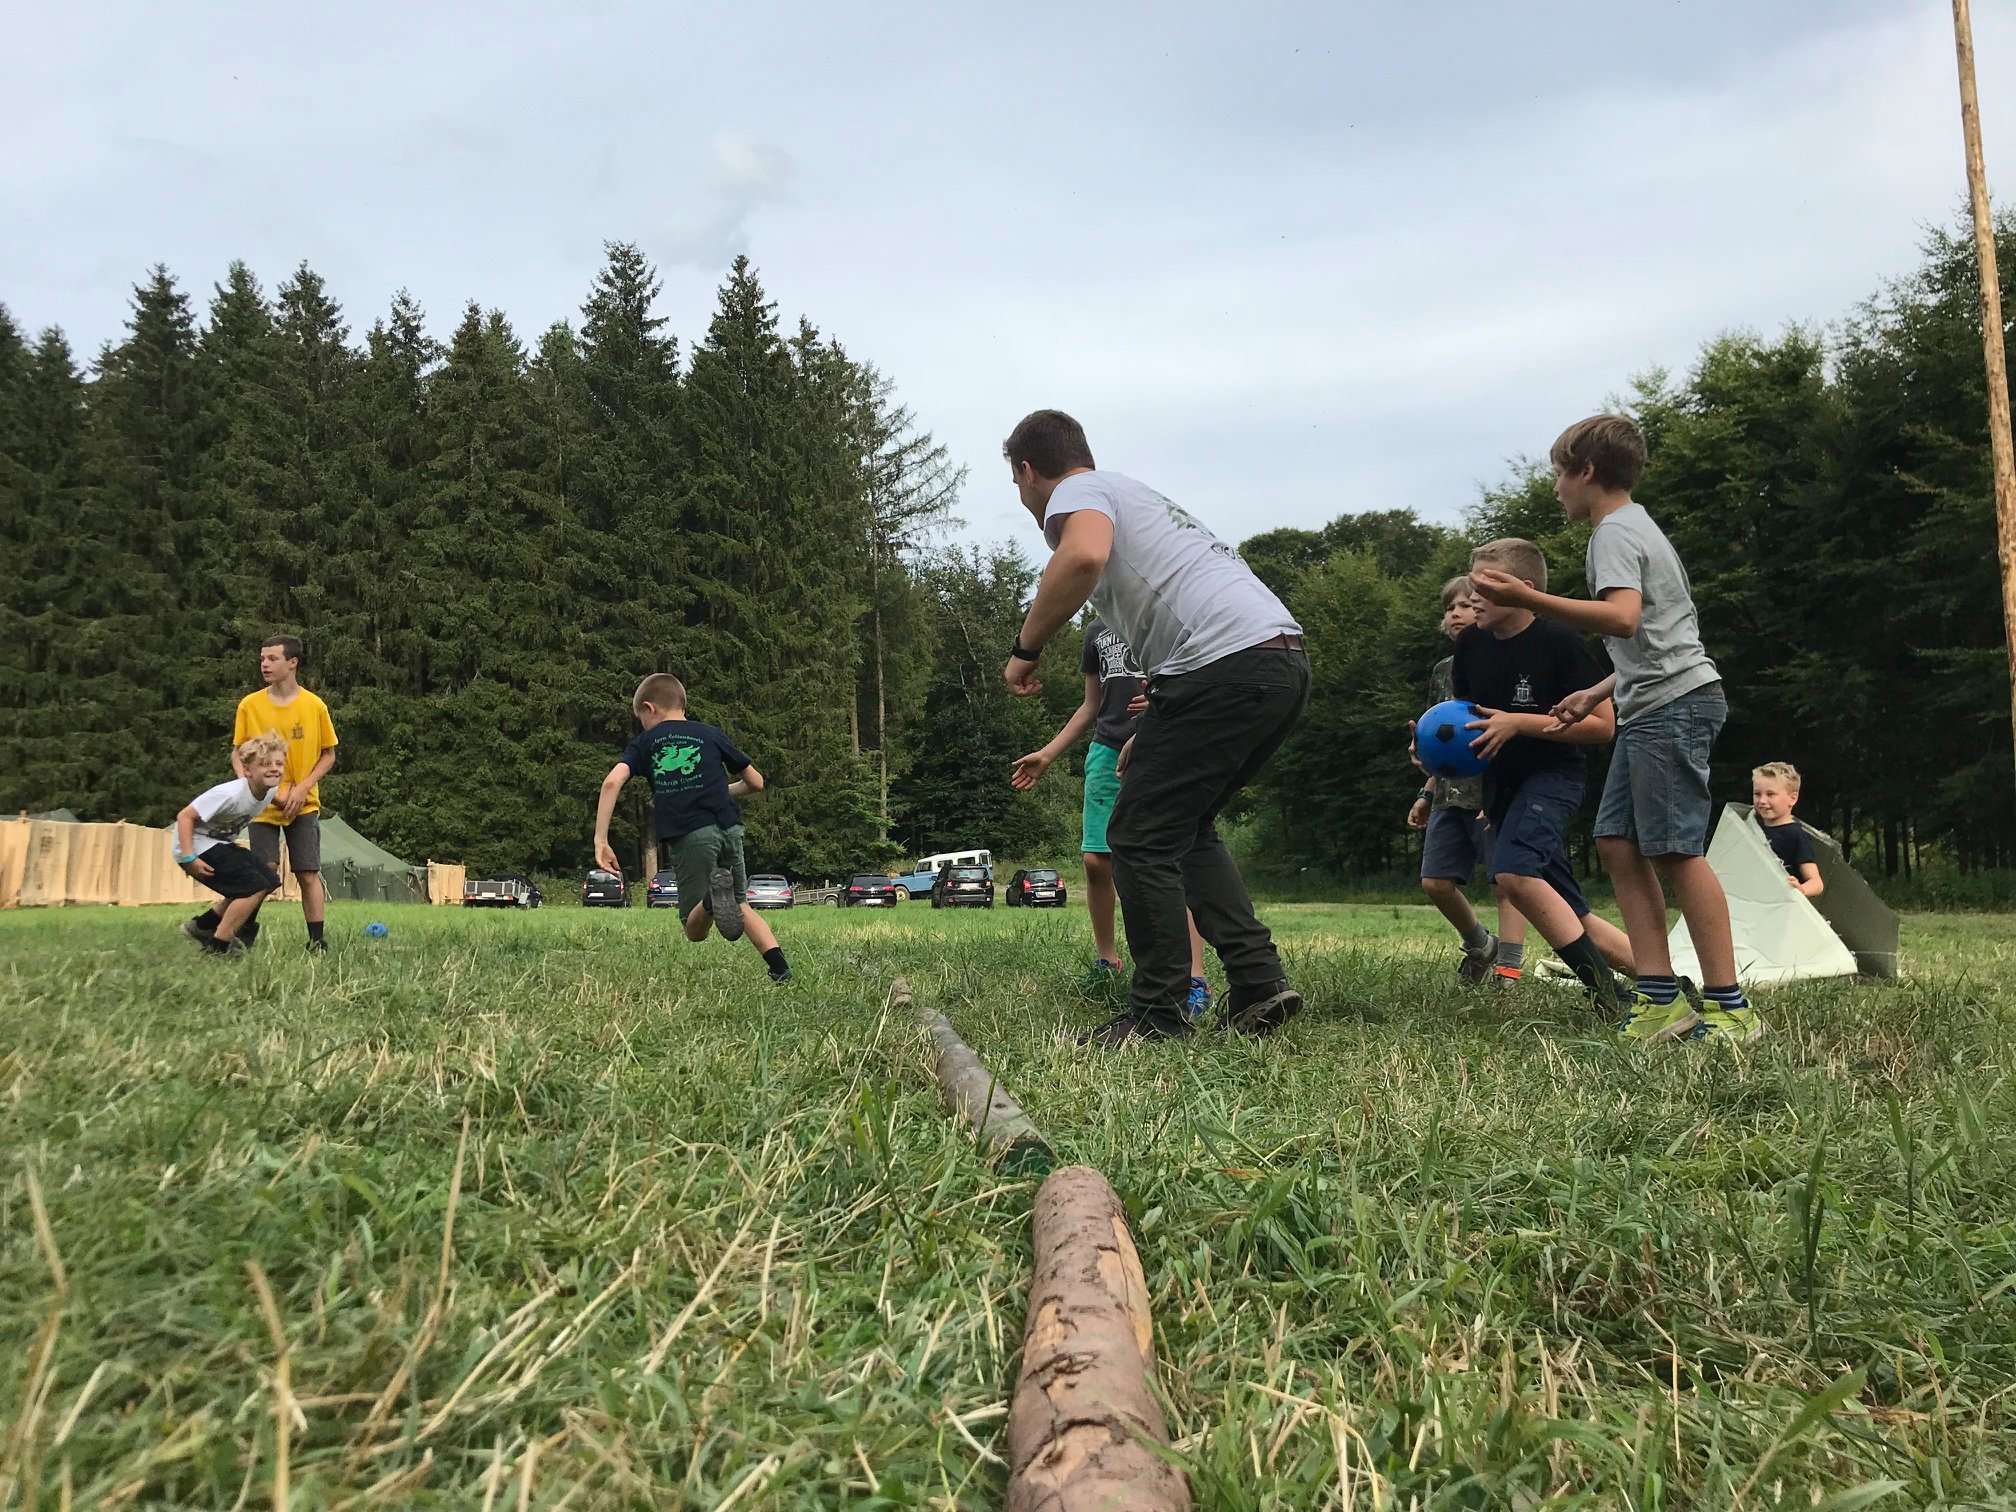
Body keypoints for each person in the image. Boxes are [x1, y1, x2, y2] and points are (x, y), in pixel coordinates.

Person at [1001, 409, 1308, 1046]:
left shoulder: (1077, 492)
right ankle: (1256, 982)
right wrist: (1160, 720)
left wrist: (1026, 647)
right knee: (1183, 825)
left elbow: (1082, 556)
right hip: (1277, 662)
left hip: (1226, 663)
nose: (1027, 500)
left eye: (1018, 485)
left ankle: (1159, 1013)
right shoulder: (1132, 493)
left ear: (1028, 471)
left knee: (1137, 838)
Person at [1472, 413, 1759, 1045]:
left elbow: (1624, 619)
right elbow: (1662, 630)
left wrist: (1530, 599)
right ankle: (1659, 997)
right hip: (1651, 701)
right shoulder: (1634, 527)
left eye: (1558, 473)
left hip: (1674, 706)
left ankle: (1728, 1003)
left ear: (1587, 471)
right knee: (1616, 843)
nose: (1555, 487)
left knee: (1676, 851)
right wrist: (1601, 689)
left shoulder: (1614, 532)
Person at [1453, 538, 1637, 1013]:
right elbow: (1467, 721)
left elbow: (1602, 727)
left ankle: (1608, 996)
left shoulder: (1560, 643)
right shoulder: (1470, 645)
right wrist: (1434, 748)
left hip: (1554, 780)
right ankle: (1667, 983)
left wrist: (1520, 722)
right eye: (1469, 584)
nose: (1471, 597)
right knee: (1567, 912)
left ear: (1524, 589)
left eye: (1484, 586)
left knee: (1513, 872)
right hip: (1501, 791)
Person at [1011, 617, 1215, 1017]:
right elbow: (1092, 704)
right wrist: (1048, 754)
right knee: (1095, 861)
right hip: (1106, 751)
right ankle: (1108, 961)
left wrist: (1161, 704)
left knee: (1172, 862)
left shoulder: (1167, 614)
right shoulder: (1095, 631)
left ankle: (1194, 977)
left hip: (1164, 746)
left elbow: (1197, 681)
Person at [592, 673, 792, 983]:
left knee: (693, 928)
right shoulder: (711, 734)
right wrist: (715, 791)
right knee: (739, 902)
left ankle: (712, 900)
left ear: (650, 708)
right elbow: (756, 782)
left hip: (692, 834)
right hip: (730, 828)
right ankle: (780, 968)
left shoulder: (646, 741)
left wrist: (600, 840)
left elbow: (612, 782)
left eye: (640, 719)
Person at [1407, 576, 1529, 985]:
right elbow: (1437, 736)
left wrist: (1498, 787)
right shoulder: (1443, 670)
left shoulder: (1503, 660)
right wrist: (1426, 787)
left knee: (1504, 882)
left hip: (1493, 792)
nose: (1456, 613)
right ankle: (1480, 944)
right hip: (1448, 794)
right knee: (1436, 882)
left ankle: (1508, 971)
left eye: (1465, 604)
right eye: (1449, 608)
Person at [233, 635, 338, 954]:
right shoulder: (250, 705)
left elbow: (329, 754)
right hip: (262, 804)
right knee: (264, 872)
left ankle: (317, 941)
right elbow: (238, 753)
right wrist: (250, 787)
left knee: (308, 872)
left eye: (272, 659)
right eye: (262, 658)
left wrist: (303, 788)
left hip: (302, 805)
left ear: (292, 663)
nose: (264, 664)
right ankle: (243, 933)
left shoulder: (313, 705)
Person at [175, 734, 289, 956]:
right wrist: (189, 858)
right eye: (265, 764)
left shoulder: (270, 789)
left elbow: (273, 798)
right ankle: (219, 946)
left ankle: (203, 926)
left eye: (279, 763)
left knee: (269, 880)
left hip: (219, 843)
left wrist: (287, 803)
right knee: (252, 885)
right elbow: (184, 816)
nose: (274, 769)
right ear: (247, 770)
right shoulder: (230, 794)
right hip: (195, 846)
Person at [1753, 761, 1823, 898]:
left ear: (1792, 798)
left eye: (1770, 794)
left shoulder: (1796, 835)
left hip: (1782, 909)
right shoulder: (1752, 827)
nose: (1762, 800)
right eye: (1757, 794)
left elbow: (1816, 882)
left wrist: (1800, 890)